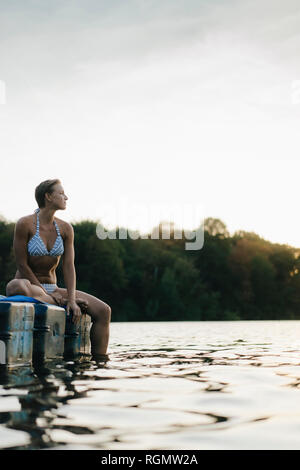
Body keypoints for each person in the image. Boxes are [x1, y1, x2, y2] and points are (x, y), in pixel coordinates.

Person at [5, 179, 111, 360]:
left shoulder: (65, 228)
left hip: (53, 289)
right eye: (61, 193)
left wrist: (70, 299)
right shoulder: (25, 224)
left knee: (104, 311)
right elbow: (22, 265)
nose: (66, 197)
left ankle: (100, 362)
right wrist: (53, 297)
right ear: (48, 196)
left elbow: (69, 266)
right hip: (29, 285)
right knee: (16, 286)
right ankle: (55, 301)